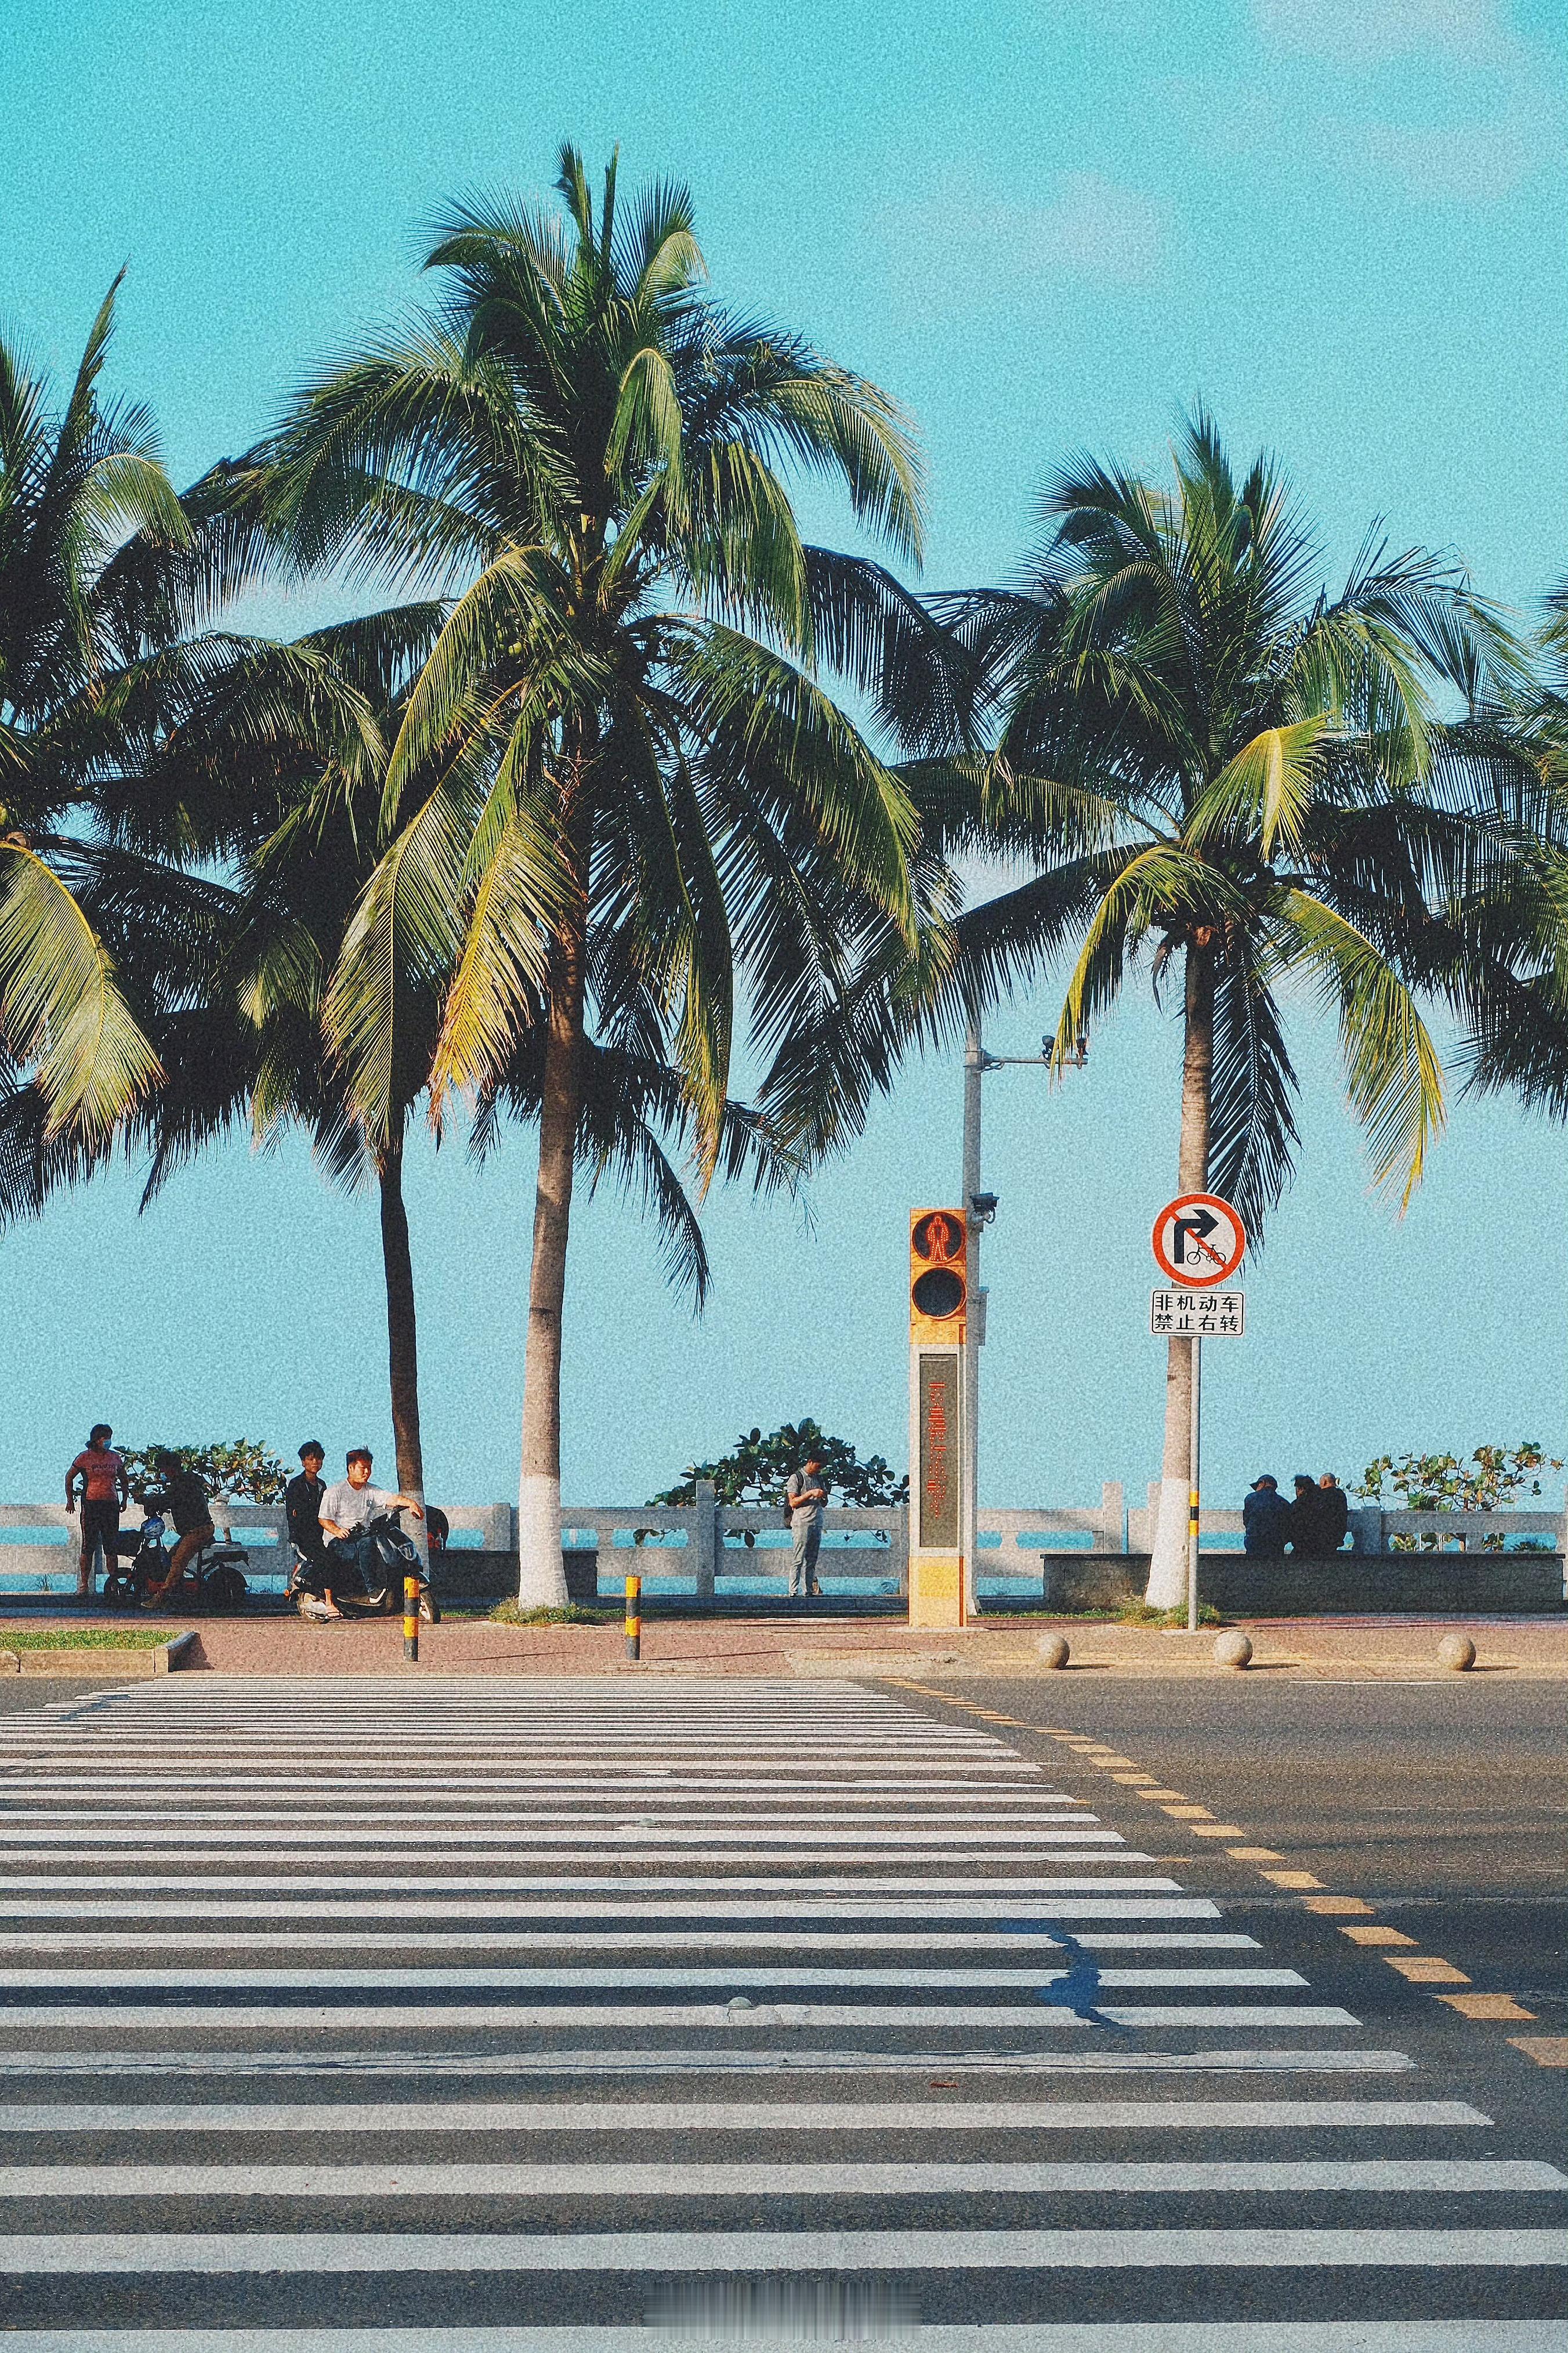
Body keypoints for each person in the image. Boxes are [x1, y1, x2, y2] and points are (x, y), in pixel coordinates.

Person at [318, 1447, 425, 1605]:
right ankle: (373, 1591)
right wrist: (338, 1531)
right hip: (338, 1541)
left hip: (361, 1536)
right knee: (367, 1543)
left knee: (376, 1542)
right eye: (363, 1468)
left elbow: (390, 1498)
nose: (367, 1472)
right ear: (351, 1468)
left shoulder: (371, 1490)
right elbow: (323, 1519)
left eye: (369, 1468)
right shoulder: (335, 1492)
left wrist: (411, 1503)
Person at [141, 1450, 216, 1605]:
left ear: (170, 1468)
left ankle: (160, 1597)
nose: (162, 1473)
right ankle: (179, 1588)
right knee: (170, 1557)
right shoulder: (186, 1478)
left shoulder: (180, 1484)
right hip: (196, 1530)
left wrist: (145, 1500)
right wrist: (205, 1484)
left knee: (177, 1561)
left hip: (198, 1531)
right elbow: (197, 1478)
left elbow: (167, 1500)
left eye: (162, 1469)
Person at [65, 1424, 128, 1597]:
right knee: (88, 1546)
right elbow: (69, 1477)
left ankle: (114, 1584)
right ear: (96, 1439)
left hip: (111, 1506)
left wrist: (124, 1499)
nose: (107, 1441)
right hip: (91, 1505)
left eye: (109, 1437)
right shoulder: (84, 1458)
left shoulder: (115, 1458)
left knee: (111, 1547)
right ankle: (84, 1585)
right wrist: (70, 1500)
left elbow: (124, 1479)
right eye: (104, 1438)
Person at [285, 1440, 337, 1621]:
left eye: (319, 1459)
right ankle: (330, 1603)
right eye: (311, 1459)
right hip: (304, 1537)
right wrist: (297, 1536)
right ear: (303, 1462)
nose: (315, 1462)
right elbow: (294, 1514)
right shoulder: (296, 1485)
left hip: (322, 1534)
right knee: (326, 1560)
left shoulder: (322, 1485)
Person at [784, 1450, 828, 1598]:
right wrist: (810, 1493)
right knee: (798, 1559)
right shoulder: (796, 1478)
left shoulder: (820, 1479)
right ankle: (793, 1592)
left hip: (817, 1522)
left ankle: (809, 1591)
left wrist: (822, 1496)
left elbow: (825, 1502)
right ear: (810, 1462)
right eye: (818, 1466)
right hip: (801, 1523)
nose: (819, 1469)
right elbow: (793, 1502)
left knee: (812, 1560)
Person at [1242, 1474, 1290, 1557]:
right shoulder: (1284, 1503)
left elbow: (1246, 1521)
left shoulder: (1250, 1498)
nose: (1256, 1490)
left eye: (1257, 1486)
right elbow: (1287, 1526)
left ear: (1263, 1483)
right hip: (1276, 1545)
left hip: (1254, 1542)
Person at [1316, 1471, 1350, 1553]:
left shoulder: (1321, 1495)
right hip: (1337, 1535)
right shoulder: (1341, 1495)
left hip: (1323, 1535)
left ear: (1324, 1482)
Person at [1288, 1473, 1322, 1554]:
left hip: (1302, 1546)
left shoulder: (1298, 1505)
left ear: (1301, 1489)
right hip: (1322, 1546)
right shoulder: (1322, 1501)